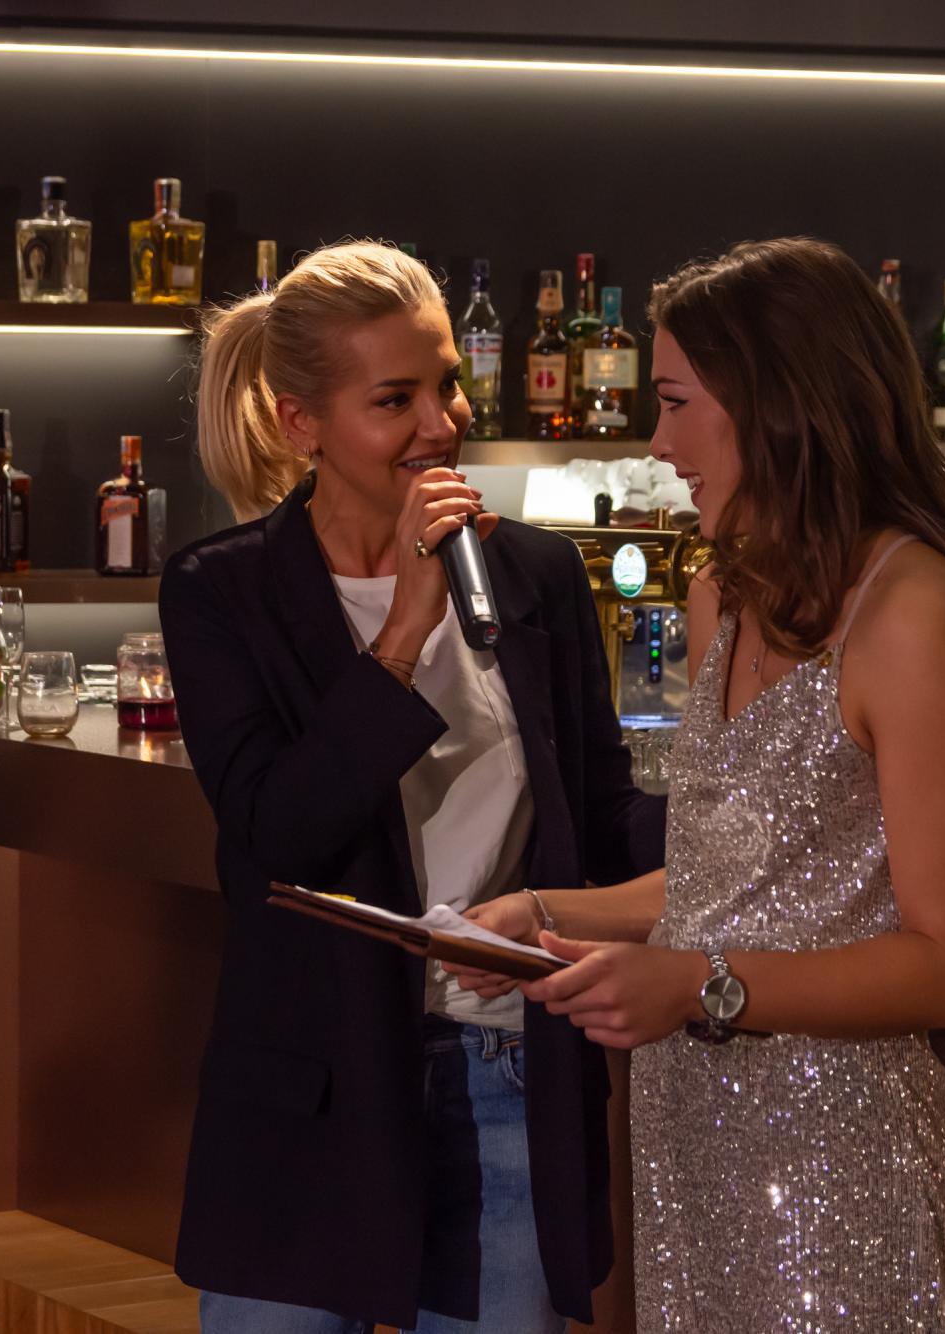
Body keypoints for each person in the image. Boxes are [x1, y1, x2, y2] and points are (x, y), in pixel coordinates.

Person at [457, 237, 945, 1331]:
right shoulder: (722, 596)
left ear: (778, 402)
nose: (657, 445)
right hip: (693, 1145)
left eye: (674, 403)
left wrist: (699, 986)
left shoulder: (911, 613)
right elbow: (729, 884)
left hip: (844, 1163)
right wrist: (545, 913)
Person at [160, 240, 666, 1333]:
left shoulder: (534, 573)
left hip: (509, 1073)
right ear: (301, 423)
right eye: (395, 400)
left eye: (446, 385)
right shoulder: (221, 590)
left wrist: (753, 814)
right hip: (312, 1090)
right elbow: (279, 829)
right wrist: (400, 634)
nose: (440, 424)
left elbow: (600, 812)